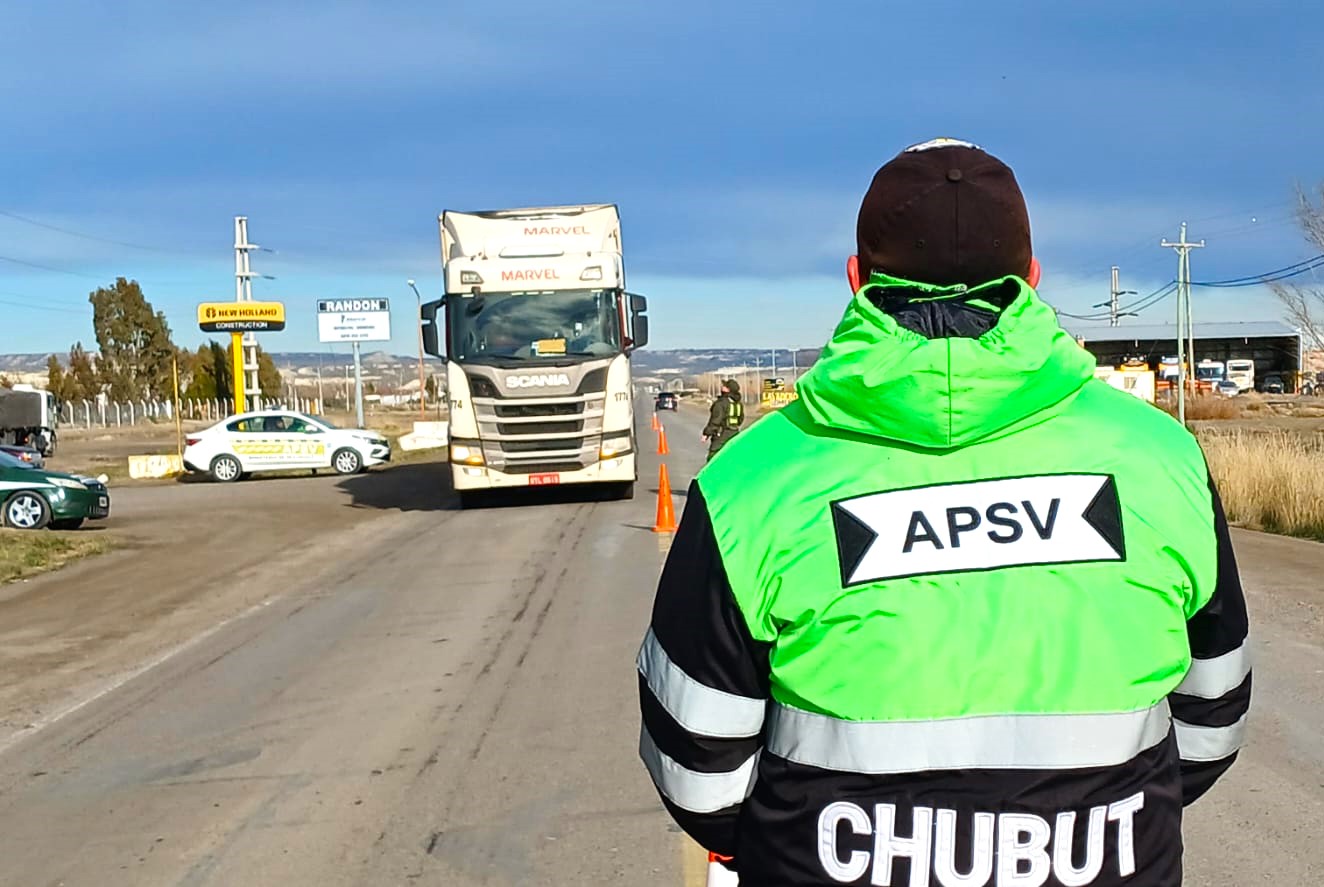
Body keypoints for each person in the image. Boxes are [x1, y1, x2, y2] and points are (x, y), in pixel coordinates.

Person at [636, 138, 1249, 886]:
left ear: (857, 279)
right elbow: (1213, 719)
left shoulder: (751, 480)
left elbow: (697, 769)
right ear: (1032, 277)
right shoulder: (1163, 458)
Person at [702, 379, 744, 461]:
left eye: (724, 386)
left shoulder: (721, 403)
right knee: (732, 456)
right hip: (735, 433)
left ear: (728, 389)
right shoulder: (738, 404)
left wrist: (706, 433)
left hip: (722, 434)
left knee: (714, 457)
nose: (722, 387)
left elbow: (715, 420)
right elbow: (740, 419)